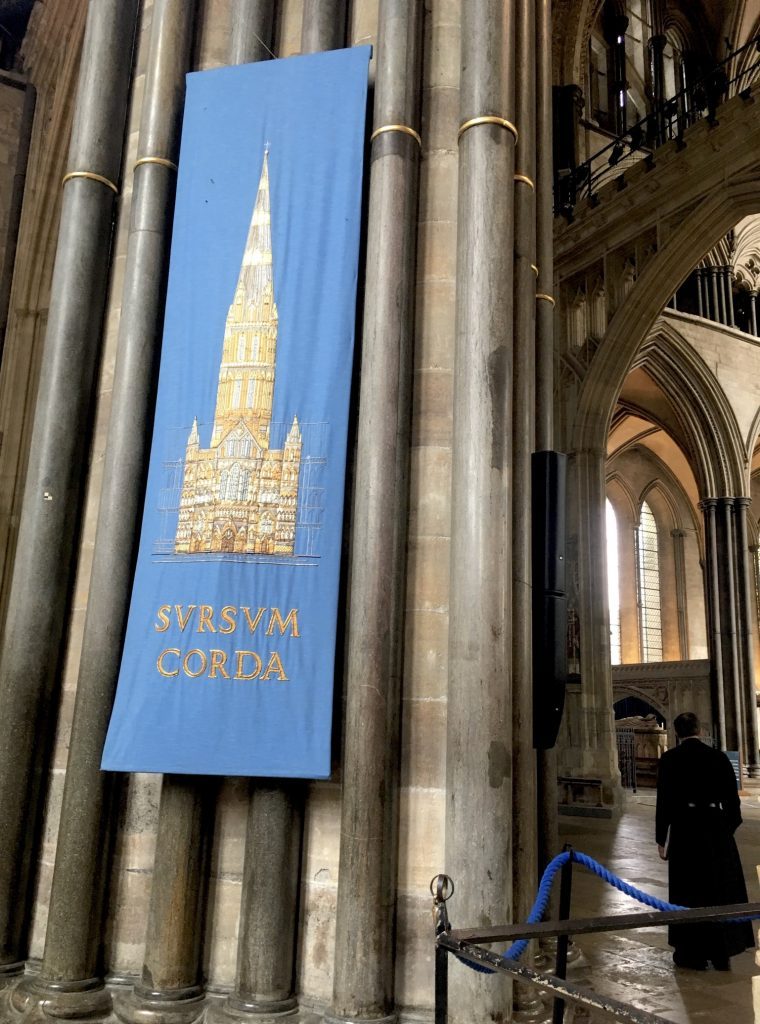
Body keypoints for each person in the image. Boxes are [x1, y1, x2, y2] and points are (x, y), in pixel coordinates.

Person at [655, 711, 754, 971]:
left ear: (677, 733)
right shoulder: (719, 758)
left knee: (688, 891)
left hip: (685, 831)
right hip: (715, 828)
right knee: (719, 890)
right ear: (700, 730)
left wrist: (661, 838)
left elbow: (664, 803)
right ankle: (722, 952)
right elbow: (733, 805)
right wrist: (724, 831)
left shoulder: (669, 759)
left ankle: (691, 953)